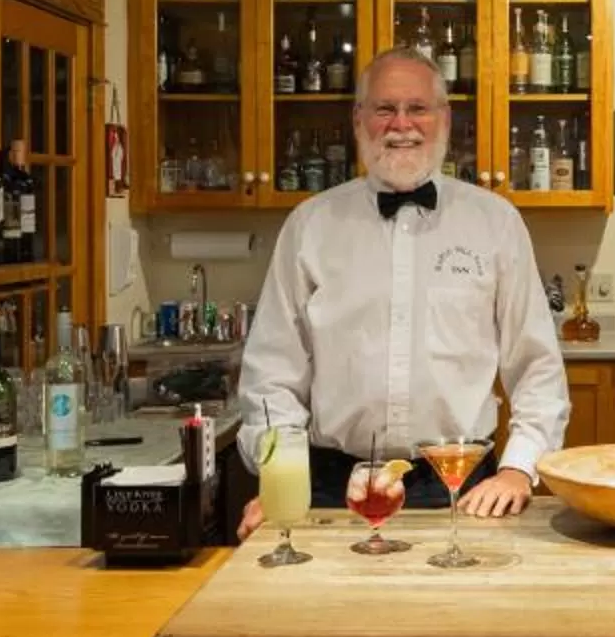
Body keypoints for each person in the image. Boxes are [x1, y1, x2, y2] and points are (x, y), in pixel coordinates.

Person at [235, 49, 569, 529]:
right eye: (384, 109)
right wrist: (277, 477)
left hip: (463, 488)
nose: (401, 124)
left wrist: (519, 468)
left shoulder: (496, 223)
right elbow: (272, 372)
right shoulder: (310, 225)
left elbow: (536, 363)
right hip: (329, 488)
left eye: (418, 108)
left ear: (445, 119)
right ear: (358, 119)